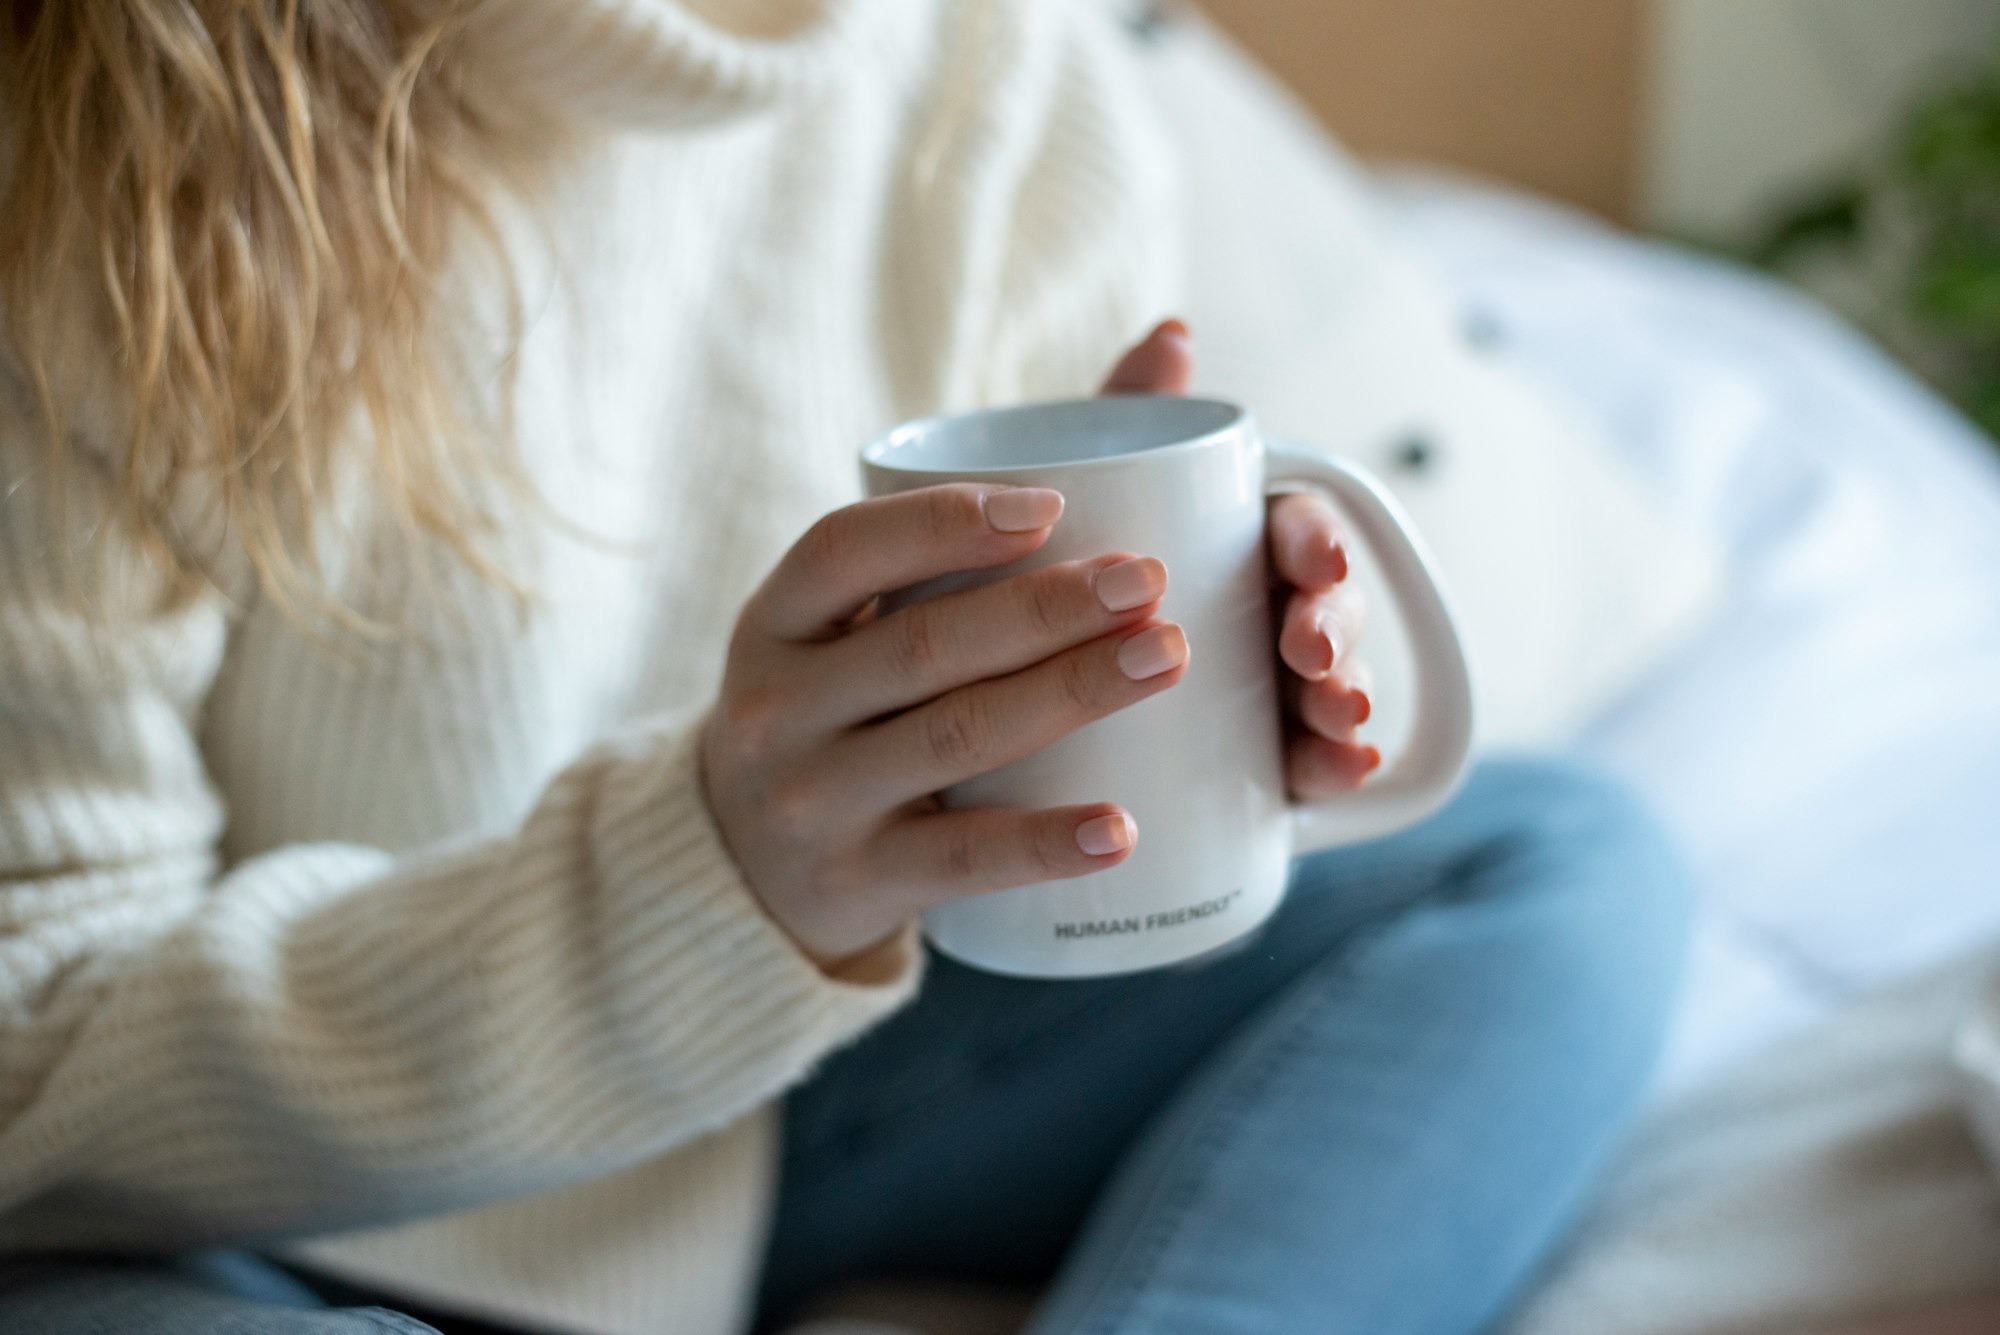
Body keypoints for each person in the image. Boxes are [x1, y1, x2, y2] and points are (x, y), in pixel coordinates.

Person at [0, 2, 1691, 1332]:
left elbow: (1027, 804)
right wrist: (713, 878)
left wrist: (1207, 730)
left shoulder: (1001, 67)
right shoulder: (89, 142)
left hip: (797, 1104)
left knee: (1561, 863)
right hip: (256, 1208)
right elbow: (36, 1056)